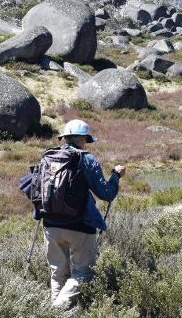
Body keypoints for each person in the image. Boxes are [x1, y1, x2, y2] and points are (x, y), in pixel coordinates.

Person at [37, 119, 125, 308]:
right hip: (80, 225)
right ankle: (57, 311)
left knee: (57, 272)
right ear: (84, 138)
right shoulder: (86, 158)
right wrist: (116, 175)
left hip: (50, 224)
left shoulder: (47, 157)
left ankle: (56, 308)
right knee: (84, 272)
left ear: (65, 137)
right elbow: (106, 194)